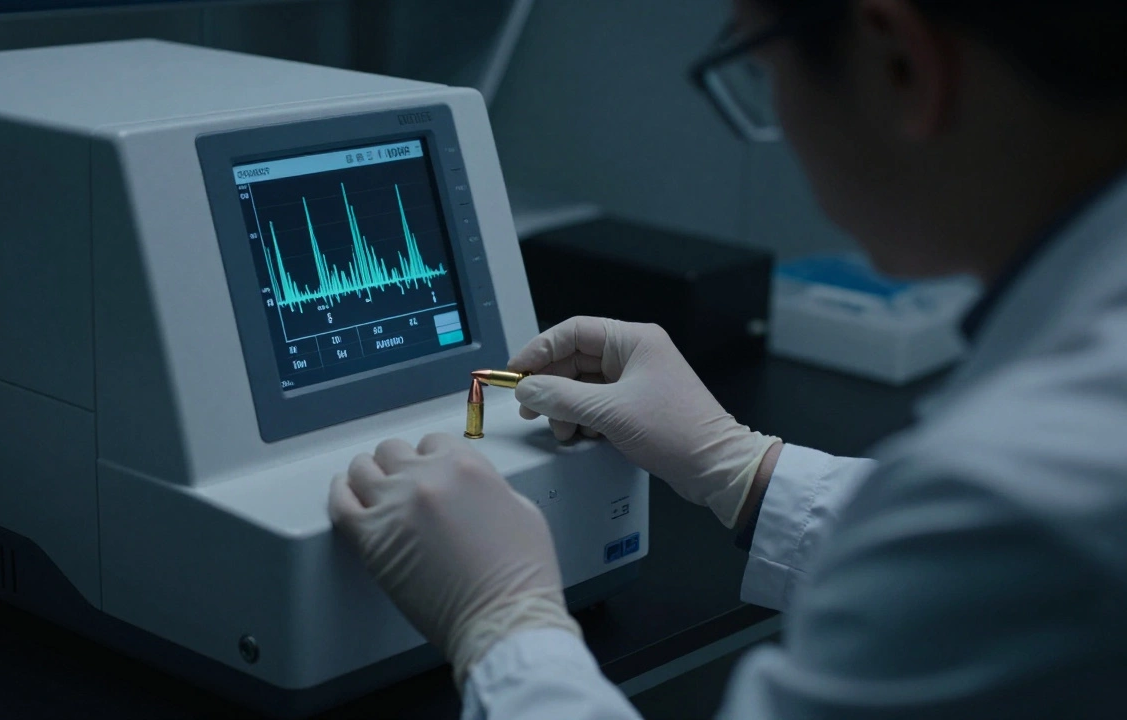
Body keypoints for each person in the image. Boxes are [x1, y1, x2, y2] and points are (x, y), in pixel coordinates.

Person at [328, 0, 1127, 716]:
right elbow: (981, 586)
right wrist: (745, 467)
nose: (773, 111)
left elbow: (989, 540)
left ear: (901, 65)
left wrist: (503, 627)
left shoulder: (1023, 490)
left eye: (757, 69)